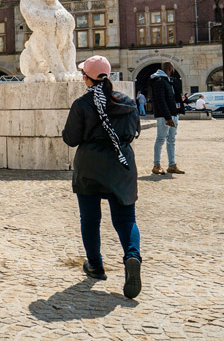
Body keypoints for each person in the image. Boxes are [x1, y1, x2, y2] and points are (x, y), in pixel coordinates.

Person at [61, 55, 143, 299]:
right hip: (121, 164)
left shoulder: (82, 104)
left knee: (90, 219)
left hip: (90, 165)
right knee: (126, 219)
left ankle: (95, 266)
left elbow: (71, 139)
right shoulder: (127, 102)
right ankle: (132, 256)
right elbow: (135, 130)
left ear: (86, 78)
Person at [149, 63, 183, 175]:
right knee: (160, 139)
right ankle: (156, 165)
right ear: (169, 69)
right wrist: (168, 117)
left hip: (173, 114)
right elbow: (160, 101)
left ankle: (172, 165)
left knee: (171, 140)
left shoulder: (167, 81)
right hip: (165, 116)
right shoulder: (159, 81)